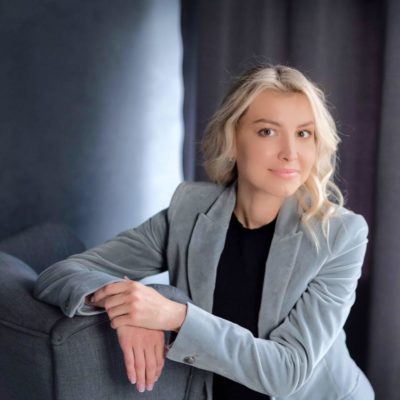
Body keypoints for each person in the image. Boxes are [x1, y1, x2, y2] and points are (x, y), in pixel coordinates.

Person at [34, 65, 375, 399]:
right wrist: (126, 308)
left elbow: (287, 372)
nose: (290, 153)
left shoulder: (340, 235)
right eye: (267, 132)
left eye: (304, 134)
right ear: (232, 139)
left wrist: (173, 316)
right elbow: (60, 275)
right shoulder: (189, 211)